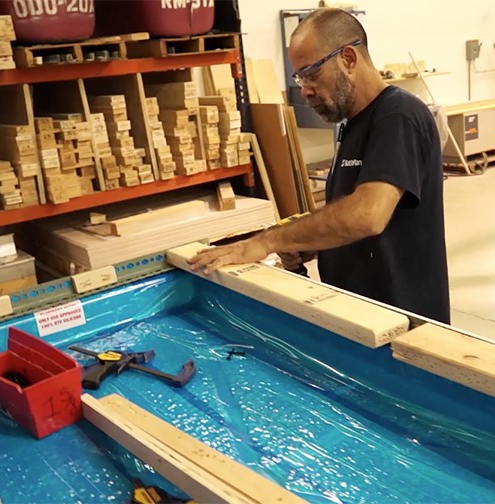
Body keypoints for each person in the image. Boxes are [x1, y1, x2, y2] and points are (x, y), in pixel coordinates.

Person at [188, 8, 451, 324]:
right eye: (299, 77)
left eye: (311, 73)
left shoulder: (398, 116)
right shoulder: (354, 124)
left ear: (348, 59)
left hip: (402, 326)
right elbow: (354, 219)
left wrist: (269, 239)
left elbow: (367, 215)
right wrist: (308, 242)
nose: (304, 89)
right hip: (362, 320)